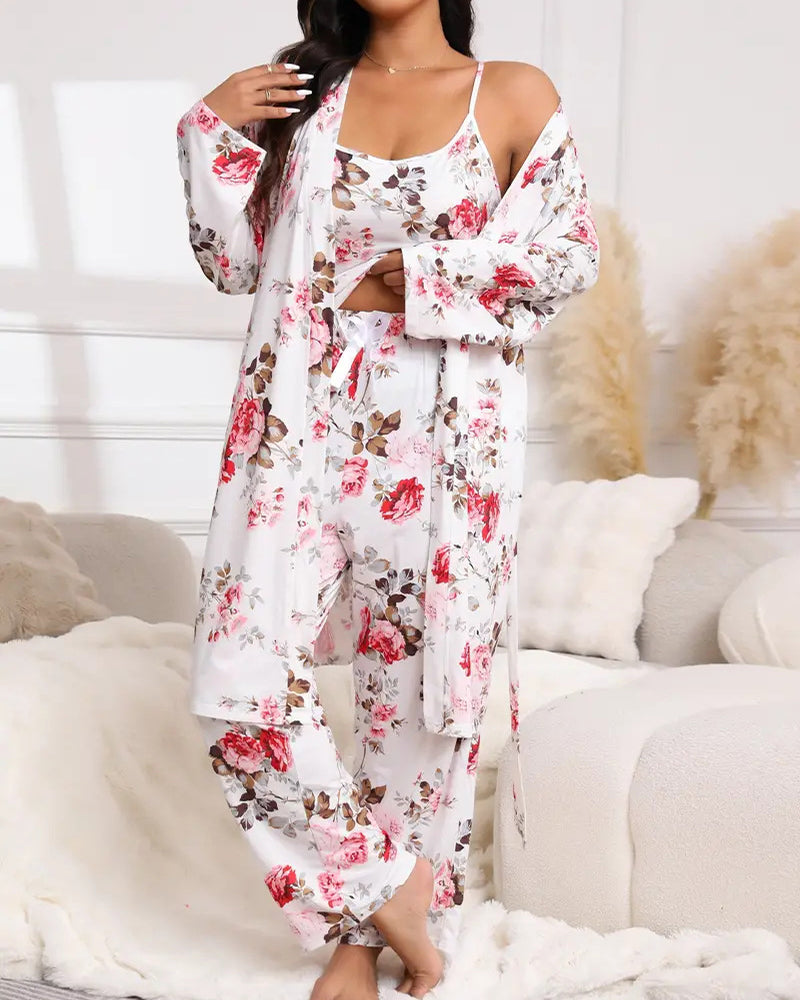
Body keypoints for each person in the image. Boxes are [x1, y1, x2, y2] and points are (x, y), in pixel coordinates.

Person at [176, 2, 599, 998]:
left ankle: (362, 942)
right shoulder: (303, 97)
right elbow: (234, 263)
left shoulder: (510, 93)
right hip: (293, 426)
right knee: (236, 676)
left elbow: (564, 259)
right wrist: (212, 129)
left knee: (419, 699)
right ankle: (381, 883)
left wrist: (414, 278)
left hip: (444, 445)